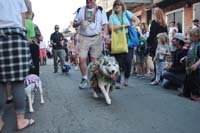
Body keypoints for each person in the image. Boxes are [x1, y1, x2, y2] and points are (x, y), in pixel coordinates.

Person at [0, 0, 35, 131]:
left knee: (1, 83)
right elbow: (23, 21)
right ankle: (20, 120)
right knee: (18, 82)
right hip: (16, 36)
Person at [73, 0, 108, 89]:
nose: (88, 1)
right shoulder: (80, 10)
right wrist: (79, 22)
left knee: (94, 61)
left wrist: (104, 34)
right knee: (82, 60)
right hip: (83, 37)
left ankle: (93, 79)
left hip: (96, 37)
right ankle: (84, 77)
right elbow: (74, 24)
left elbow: (105, 24)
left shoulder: (100, 10)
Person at [109, 0, 140, 87]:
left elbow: (137, 20)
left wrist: (131, 27)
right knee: (118, 63)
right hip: (118, 40)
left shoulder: (126, 13)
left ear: (122, 6)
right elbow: (111, 28)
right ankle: (117, 81)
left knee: (128, 61)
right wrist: (123, 26)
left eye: (119, 4)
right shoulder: (112, 16)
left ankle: (126, 77)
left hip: (128, 40)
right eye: (116, 4)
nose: (117, 6)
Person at [147, 7, 168, 81]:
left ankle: (157, 77)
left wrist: (148, 42)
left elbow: (152, 34)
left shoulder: (154, 22)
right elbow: (166, 35)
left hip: (155, 43)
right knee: (162, 61)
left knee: (156, 61)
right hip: (163, 44)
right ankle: (162, 76)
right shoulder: (164, 24)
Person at [179, 28, 200, 101]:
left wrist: (196, 64)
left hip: (196, 66)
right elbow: (189, 53)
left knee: (195, 81)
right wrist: (185, 57)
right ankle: (186, 93)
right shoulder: (192, 44)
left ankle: (196, 94)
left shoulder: (199, 45)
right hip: (189, 65)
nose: (190, 38)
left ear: (198, 36)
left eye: (192, 36)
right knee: (187, 80)